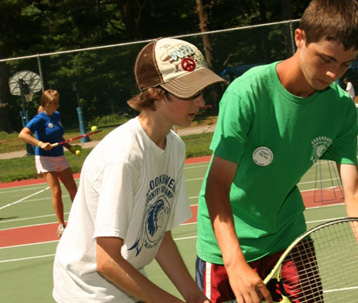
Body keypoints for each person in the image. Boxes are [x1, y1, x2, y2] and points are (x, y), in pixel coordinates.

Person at [195, 1, 358, 303]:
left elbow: (354, 190)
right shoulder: (247, 93)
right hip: (227, 247)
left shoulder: (340, 108)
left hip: (289, 237)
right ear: (300, 38)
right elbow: (216, 186)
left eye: (345, 63)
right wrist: (234, 263)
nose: (333, 73)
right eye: (325, 59)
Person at [53, 38, 226, 303]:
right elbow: (106, 261)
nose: (201, 102)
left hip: (123, 278)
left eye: (201, 92)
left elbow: (158, 236)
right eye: (191, 92)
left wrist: (195, 297)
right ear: (157, 92)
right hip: (88, 292)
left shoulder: (174, 147)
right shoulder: (124, 157)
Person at [18, 89, 78, 237]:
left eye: (57, 102)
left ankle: (79, 220)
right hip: (45, 159)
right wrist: (39, 143)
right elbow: (23, 134)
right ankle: (61, 225)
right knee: (56, 191)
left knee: (73, 189)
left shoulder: (56, 115)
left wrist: (69, 147)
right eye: (55, 103)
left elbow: (58, 135)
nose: (58, 106)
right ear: (46, 104)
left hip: (60, 157)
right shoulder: (39, 119)